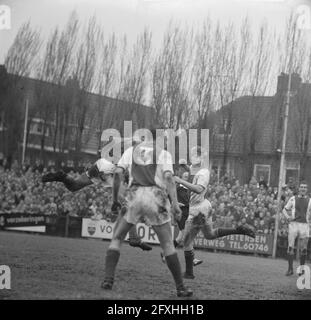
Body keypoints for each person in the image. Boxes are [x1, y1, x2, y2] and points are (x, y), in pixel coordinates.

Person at [102, 131, 193, 297]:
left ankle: (108, 279)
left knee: (117, 238)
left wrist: (115, 199)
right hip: (156, 196)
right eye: (164, 139)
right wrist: (175, 205)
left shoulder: (131, 151)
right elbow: (170, 180)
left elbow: (117, 174)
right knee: (167, 245)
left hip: (134, 194)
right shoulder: (163, 154)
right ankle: (180, 287)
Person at [174, 146, 255, 279]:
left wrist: (180, 180)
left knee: (187, 241)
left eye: (194, 155)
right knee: (210, 235)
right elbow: (191, 172)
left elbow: (199, 189)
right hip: (204, 206)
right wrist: (184, 166)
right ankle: (239, 230)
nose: (191, 157)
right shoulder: (196, 169)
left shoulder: (204, 172)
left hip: (198, 209)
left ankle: (189, 273)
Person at [41, 157, 152, 251]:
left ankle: (62, 176)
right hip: (107, 172)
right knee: (128, 204)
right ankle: (134, 238)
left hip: (100, 165)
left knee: (74, 186)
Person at [282, 181, 311, 276]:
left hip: (304, 225)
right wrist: (288, 217)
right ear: (299, 188)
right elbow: (284, 210)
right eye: (301, 187)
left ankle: (301, 270)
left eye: (304, 187)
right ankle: (290, 269)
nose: (303, 189)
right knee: (290, 247)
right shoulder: (293, 199)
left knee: (304, 248)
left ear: (307, 190)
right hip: (294, 224)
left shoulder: (310, 201)